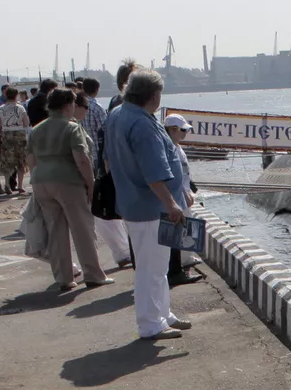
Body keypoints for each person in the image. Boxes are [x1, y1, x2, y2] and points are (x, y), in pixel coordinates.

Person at [103, 67, 190, 340]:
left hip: (135, 204)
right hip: (150, 206)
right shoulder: (141, 123)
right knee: (150, 269)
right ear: (153, 96)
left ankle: (163, 313)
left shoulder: (119, 113)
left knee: (156, 266)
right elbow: (153, 172)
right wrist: (173, 204)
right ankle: (151, 323)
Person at [28, 88, 109, 290]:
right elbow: (81, 158)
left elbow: (30, 159)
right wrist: (91, 185)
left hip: (41, 181)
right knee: (82, 229)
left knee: (56, 230)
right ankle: (93, 274)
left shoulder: (37, 129)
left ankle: (64, 278)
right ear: (67, 105)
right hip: (67, 181)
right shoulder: (72, 128)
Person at [78, 77, 130, 268]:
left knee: (105, 209)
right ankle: (124, 252)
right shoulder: (100, 110)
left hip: (93, 162)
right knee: (113, 210)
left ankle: (123, 251)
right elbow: (104, 136)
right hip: (103, 164)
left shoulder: (86, 108)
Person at [159, 114, 204, 286]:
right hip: (178, 194)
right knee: (181, 229)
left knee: (187, 225)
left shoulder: (177, 146)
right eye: (182, 130)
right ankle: (180, 266)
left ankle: (186, 258)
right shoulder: (170, 148)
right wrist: (184, 193)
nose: (185, 133)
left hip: (183, 192)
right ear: (172, 130)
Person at [0, 86, 30, 194]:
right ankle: (20, 185)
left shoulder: (0, 108)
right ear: (16, 95)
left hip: (6, 134)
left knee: (7, 160)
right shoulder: (20, 108)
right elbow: (26, 122)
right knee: (21, 160)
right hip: (19, 133)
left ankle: (7, 184)